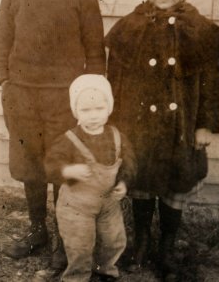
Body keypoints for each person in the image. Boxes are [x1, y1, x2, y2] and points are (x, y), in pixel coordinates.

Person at [105, 0, 219, 280]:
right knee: (139, 180)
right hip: (138, 126)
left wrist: (205, 125)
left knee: (175, 184)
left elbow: (212, 84)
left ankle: (166, 248)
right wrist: (114, 123)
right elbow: (115, 79)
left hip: (182, 127)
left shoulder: (200, 29)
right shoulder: (130, 27)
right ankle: (141, 242)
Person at [0, 0, 106, 272]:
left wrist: (91, 94)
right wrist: (4, 79)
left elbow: (94, 49)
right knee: (30, 163)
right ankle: (37, 230)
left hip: (64, 97)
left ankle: (64, 237)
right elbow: (1, 38)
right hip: (23, 94)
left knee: (62, 167)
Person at [43, 74, 136, 282]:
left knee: (113, 240)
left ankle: (105, 271)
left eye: (99, 109)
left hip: (108, 203)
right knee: (80, 244)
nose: (93, 115)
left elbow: (129, 163)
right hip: (77, 205)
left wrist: (123, 182)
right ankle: (77, 276)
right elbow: (51, 164)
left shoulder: (116, 136)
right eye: (85, 110)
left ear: (108, 108)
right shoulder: (69, 139)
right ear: (76, 111)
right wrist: (68, 171)